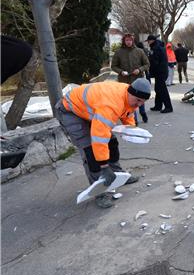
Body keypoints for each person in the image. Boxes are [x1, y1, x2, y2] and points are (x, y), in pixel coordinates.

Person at [54, 79, 151, 208]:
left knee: (112, 142)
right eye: (138, 100)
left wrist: (130, 130)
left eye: (142, 102)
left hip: (89, 110)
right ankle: (100, 192)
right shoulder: (110, 105)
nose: (139, 104)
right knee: (90, 152)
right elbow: (99, 138)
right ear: (130, 92)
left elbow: (127, 113)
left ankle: (117, 175)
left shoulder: (128, 95)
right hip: (70, 111)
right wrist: (104, 166)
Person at [111, 33, 150, 123]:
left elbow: (147, 64)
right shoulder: (118, 52)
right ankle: (133, 120)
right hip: (124, 81)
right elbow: (113, 66)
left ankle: (143, 112)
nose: (128, 42)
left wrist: (139, 70)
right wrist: (121, 71)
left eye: (130, 40)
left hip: (138, 80)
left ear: (133, 41)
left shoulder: (139, 51)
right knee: (129, 101)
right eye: (127, 40)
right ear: (124, 41)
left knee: (140, 98)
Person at [146, 35, 173, 113]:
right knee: (158, 89)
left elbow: (154, 62)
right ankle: (158, 105)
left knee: (162, 90)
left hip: (160, 72)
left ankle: (168, 107)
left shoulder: (155, 48)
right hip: (162, 71)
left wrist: (150, 72)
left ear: (152, 41)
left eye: (148, 41)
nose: (148, 42)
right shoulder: (159, 46)